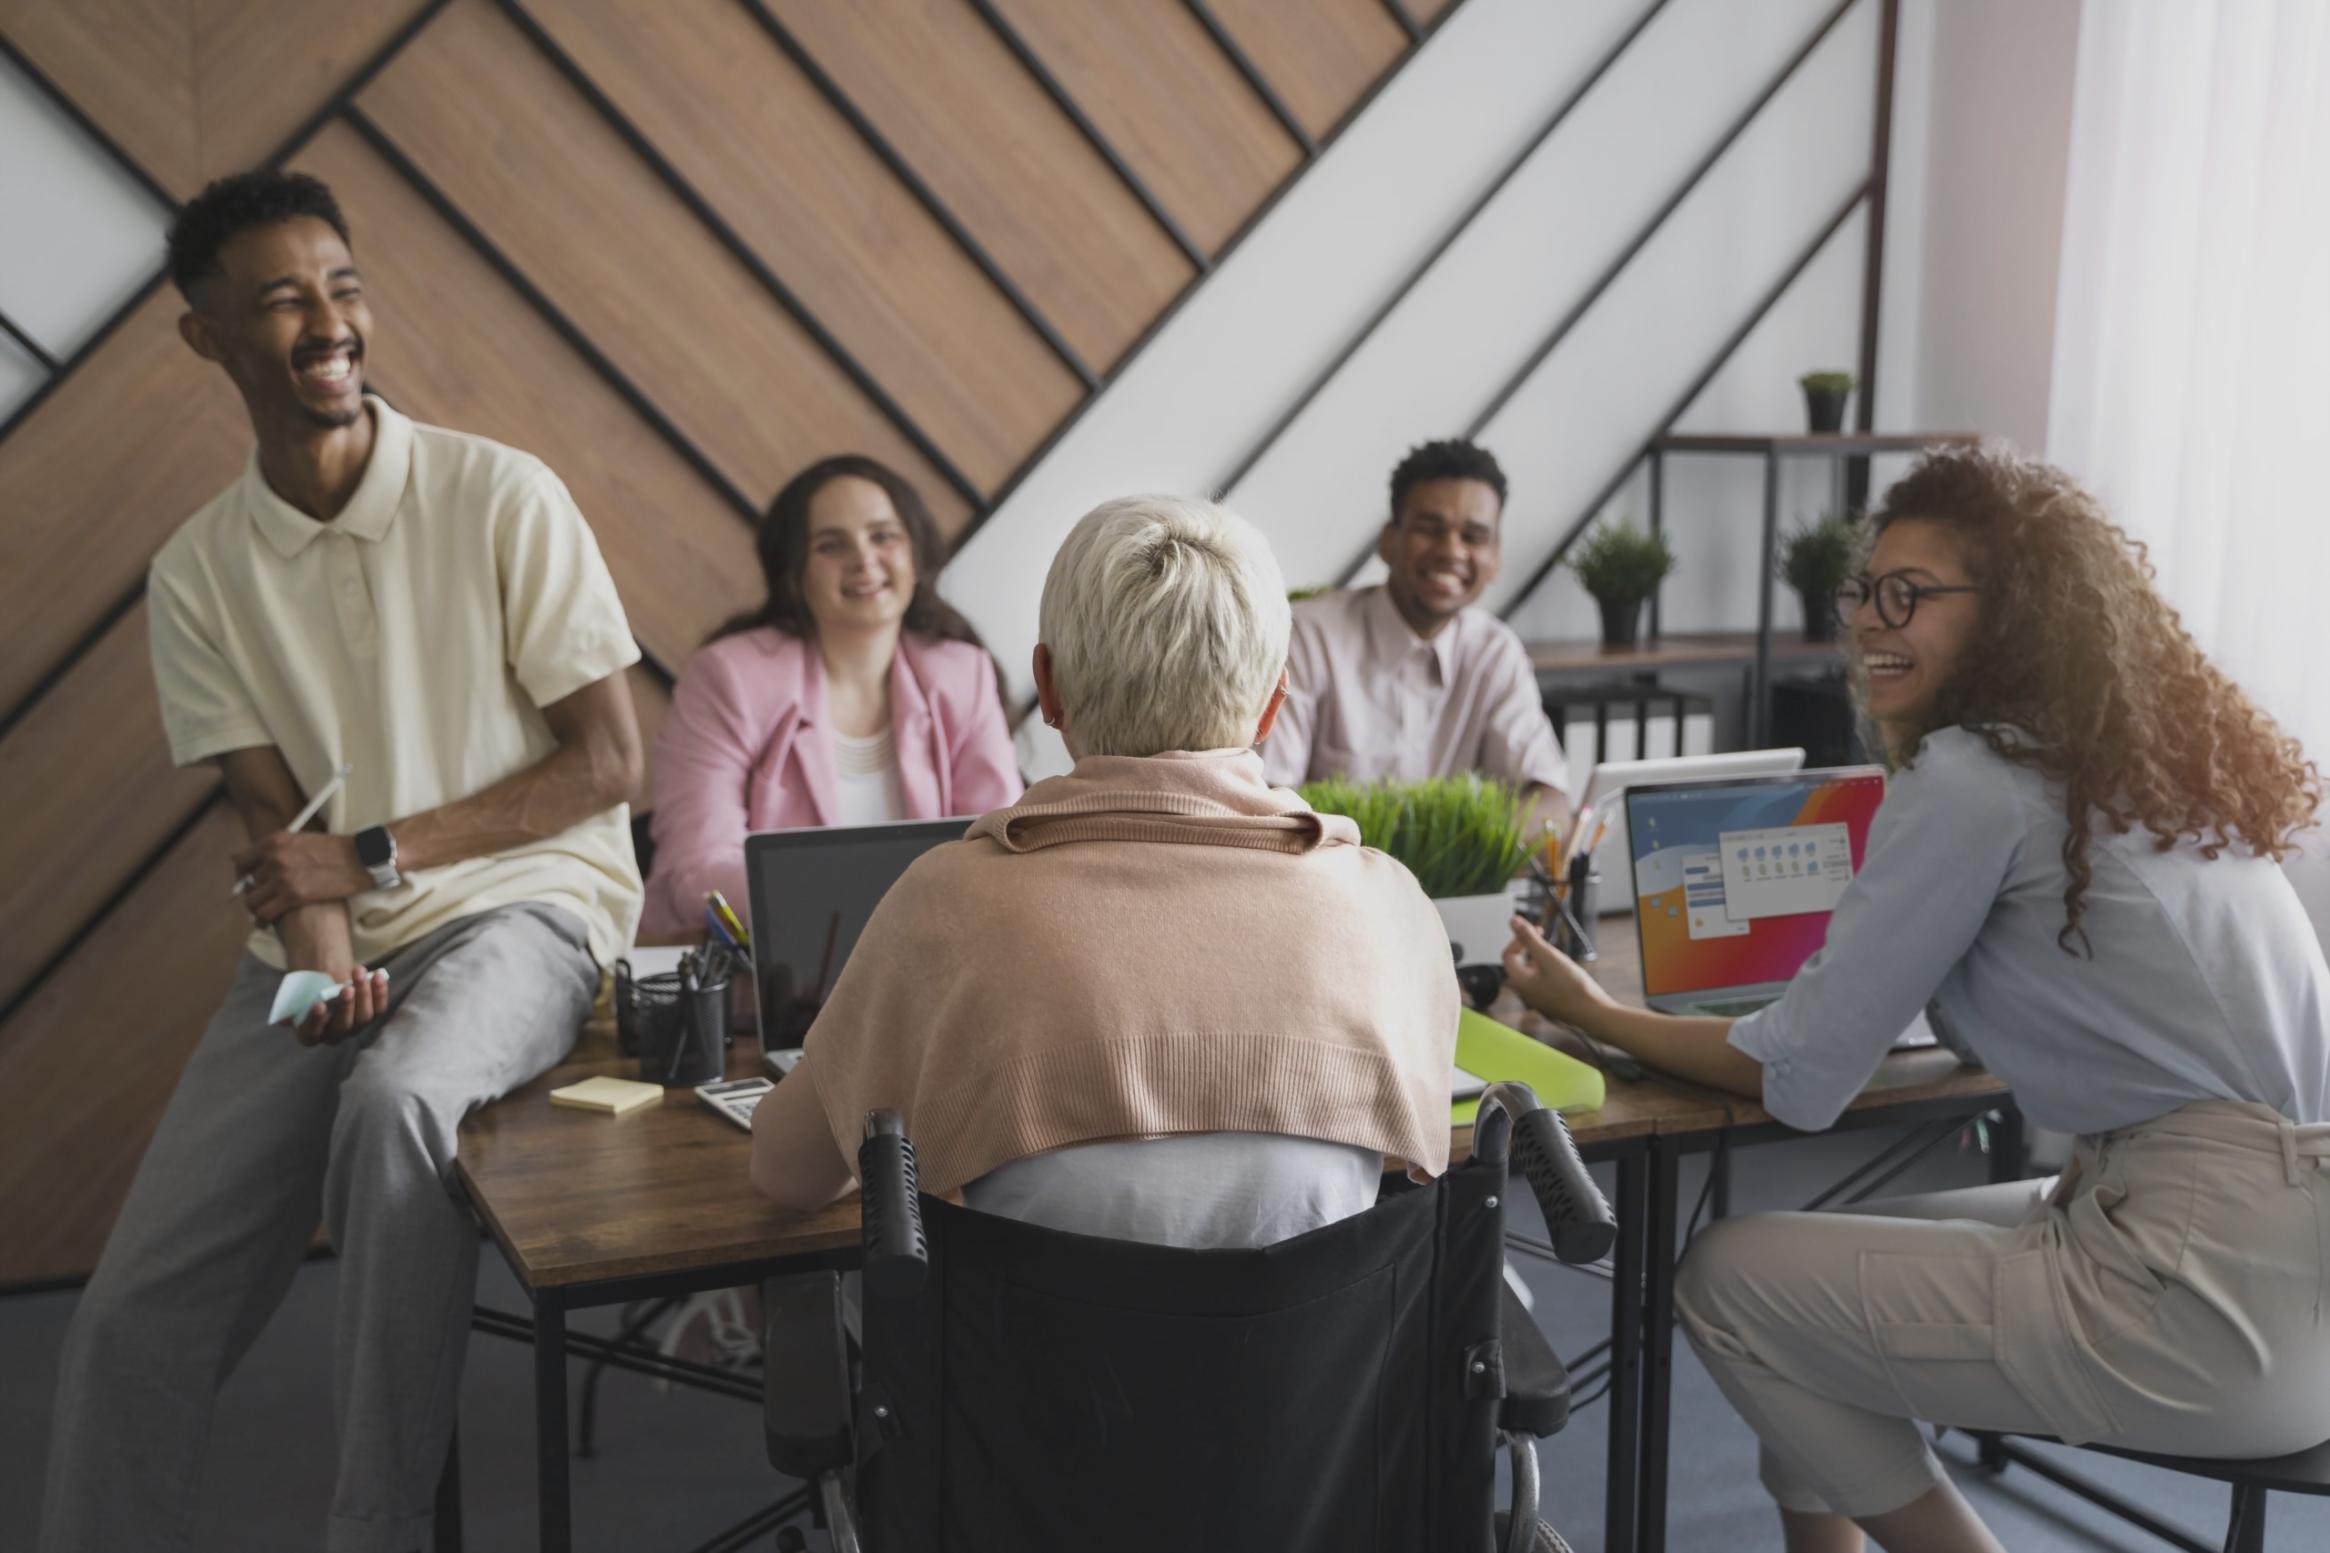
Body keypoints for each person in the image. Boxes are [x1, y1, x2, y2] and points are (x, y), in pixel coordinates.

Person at [1500, 446, 2330, 1553]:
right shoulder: (2141, 769)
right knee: (1812, 1281)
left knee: (1729, 1281)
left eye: (1910, 594)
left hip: (2197, 1291)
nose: (1868, 620)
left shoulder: (1974, 778)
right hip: (2285, 1277)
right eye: (1865, 591)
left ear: (2013, 614)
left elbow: (1799, 1077)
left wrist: (1591, 1011)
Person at [41, 171, 646, 1553]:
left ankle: (373, 1527)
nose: (328, 322)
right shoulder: (197, 571)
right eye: (283, 299)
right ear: (206, 337)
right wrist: (320, 964)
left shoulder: (499, 492)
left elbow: (610, 761)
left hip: (525, 907)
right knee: (132, 1310)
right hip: (319, 938)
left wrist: (368, 860)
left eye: (343, 286)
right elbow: (273, 825)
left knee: (395, 1104)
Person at [747, 495, 1459, 1249]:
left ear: (1048, 687)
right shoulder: (1392, 910)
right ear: (1271, 707)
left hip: (1021, 1331)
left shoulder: (944, 903)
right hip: (1334, 1330)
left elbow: (786, 1173)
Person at [639, 454, 1020, 939]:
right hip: (762, 966)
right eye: (831, 545)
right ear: (793, 573)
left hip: (928, 958)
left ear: (916, 553)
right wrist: (841, 912)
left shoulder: (962, 673)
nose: (863, 560)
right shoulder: (730, 677)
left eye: (883, 536)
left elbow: (1000, 849)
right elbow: (695, 870)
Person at [1264, 437, 1569, 832]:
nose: (1451, 551)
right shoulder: (1308, 638)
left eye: (1473, 537)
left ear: (1495, 558)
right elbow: (1269, 802)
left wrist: (1458, 850)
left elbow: (1551, 803)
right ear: (1388, 541)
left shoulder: (1494, 652)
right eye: (1429, 529)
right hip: (1328, 872)